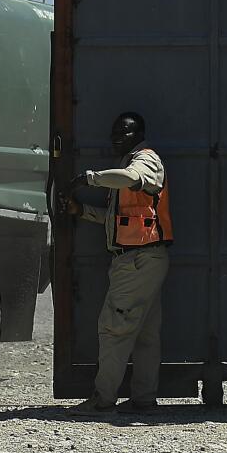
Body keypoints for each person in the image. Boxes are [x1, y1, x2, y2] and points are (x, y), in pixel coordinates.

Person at [66, 111, 173, 415]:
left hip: (137, 260)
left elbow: (132, 179)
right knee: (145, 333)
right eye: (114, 132)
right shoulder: (129, 163)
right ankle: (144, 398)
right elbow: (120, 220)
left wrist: (90, 178)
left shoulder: (144, 161)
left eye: (123, 133)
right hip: (145, 259)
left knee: (113, 328)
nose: (116, 138)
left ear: (138, 134)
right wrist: (82, 211)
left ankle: (103, 400)